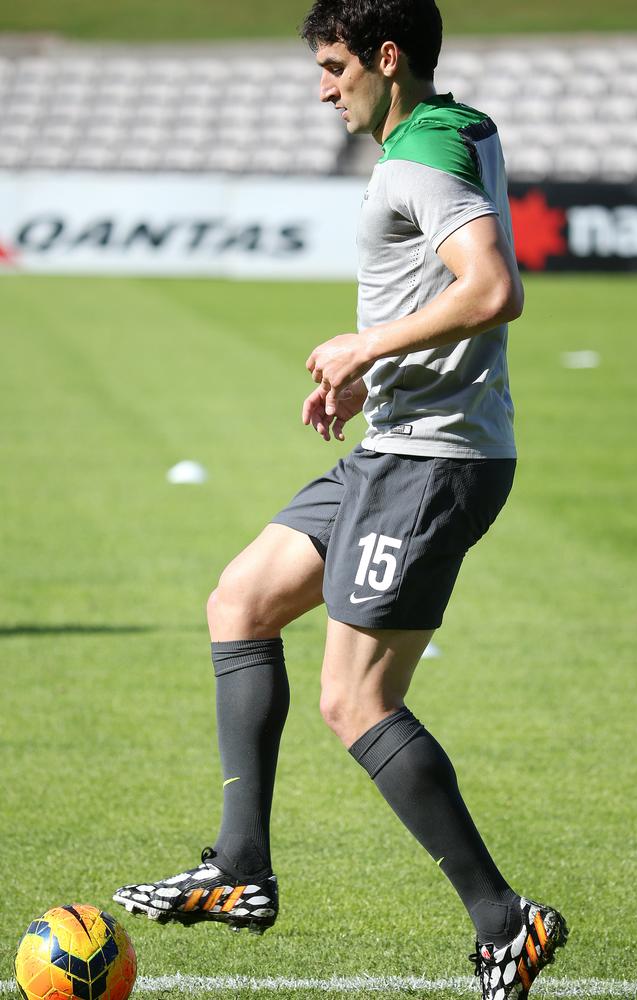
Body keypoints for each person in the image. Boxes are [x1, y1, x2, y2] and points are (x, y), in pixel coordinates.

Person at [113, 1, 568, 996]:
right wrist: (377, 375)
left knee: (355, 698)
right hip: (391, 441)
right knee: (240, 599)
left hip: (430, 462)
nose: (322, 88)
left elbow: (491, 289)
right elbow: (442, 293)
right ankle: (239, 867)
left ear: (385, 57)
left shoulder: (415, 156)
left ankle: (505, 920)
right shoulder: (454, 128)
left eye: (332, 66)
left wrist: (363, 346)